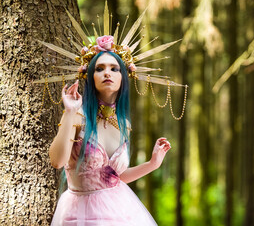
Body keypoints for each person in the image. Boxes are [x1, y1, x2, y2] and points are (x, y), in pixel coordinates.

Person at [49, 50, 171, 225]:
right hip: (80, 213)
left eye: (114, 69)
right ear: (91, 77)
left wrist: (153, 164)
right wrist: (69, 112)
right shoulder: (77, 116)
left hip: (120, 212)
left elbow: (114, 178)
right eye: (100, 69)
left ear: (123, 78)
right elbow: (57, 162)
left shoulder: (124, 124)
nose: (107, 73)